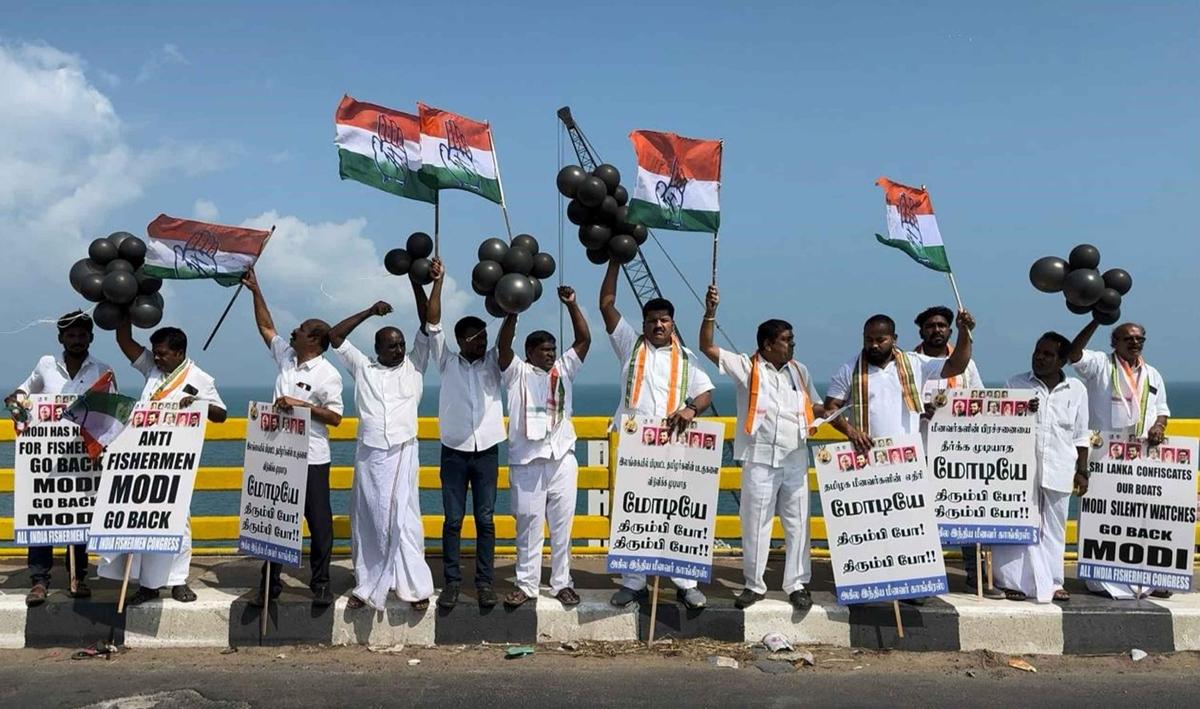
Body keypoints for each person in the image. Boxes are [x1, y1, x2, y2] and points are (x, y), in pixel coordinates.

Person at [825, 310, 975, 604]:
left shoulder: (915, 363)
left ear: (894, 339)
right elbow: (829, 408)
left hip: (906, 461)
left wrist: (964, 333)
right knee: (869, 527)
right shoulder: (850, 368)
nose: (873, 345)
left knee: (909, 527)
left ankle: (910, 587)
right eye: (868, 339)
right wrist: (851, 431)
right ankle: (869, 585)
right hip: (867, 461)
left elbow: (957, 365)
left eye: (880, 339)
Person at [699, 285, 831, 610]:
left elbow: (813, 406)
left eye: (792, 339)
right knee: (755, 524)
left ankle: (797, 584)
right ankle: (754, 585)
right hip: (759, 459)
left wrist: (829, 411)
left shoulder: (800, 371)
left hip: (795, 458)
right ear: (768, 344)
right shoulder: (747, 368)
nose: (792, 344)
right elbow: (707, 346)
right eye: (786, 340)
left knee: (798, 524)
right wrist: (710, 312)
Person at [600, 259, 713, 609]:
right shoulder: (629, 345)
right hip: (634, 446)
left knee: (675, 512)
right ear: (644, 324)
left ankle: (685, 583)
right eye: (652, 320)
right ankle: (634, 583)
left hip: (672, 447)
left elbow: (706, 394)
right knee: (634, 512)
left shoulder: (687, 358)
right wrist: (614, 262)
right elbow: (606, 305)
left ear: (672, 323)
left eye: (664, 320)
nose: (658, 325)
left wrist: (690, 409)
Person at [99, 322, 226, 605]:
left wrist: (199, 403)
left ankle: (178, 580)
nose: (156, 357)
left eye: (162, 353)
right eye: (155, 352)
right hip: (142, 457)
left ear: (179, 353)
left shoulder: (200, 378)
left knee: (178, 521)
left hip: (175, 461)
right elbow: (124, 340)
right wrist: (123, 310)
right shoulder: (152, 369)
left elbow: (221, 414)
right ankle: (147, 584)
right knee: (142, 519)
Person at [328, 286, 436, 612]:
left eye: (401, 344)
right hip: (370, 453)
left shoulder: (415, 365)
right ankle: (367, 584)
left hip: (403, 450)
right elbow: (335, 335)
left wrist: (419, 284)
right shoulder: (364, 368)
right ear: (378, 349)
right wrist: (369, 312)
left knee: (406, 519)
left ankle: (414, 587)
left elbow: (427, 323)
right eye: (392, 346)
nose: (399, 350)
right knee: (369, 518)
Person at [242, 268, 345, 607]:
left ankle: (321, 583)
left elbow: (336, 418)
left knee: (319, 523)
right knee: (273, 519)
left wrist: (302, 406)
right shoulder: (287, 357)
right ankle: (269, 585)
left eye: (300, 329)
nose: (293, 331)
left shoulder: (328, 375)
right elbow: (265, 327)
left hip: (312, 457)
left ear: (313, 340)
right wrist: (256, 290)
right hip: (276, 453)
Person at [412, 259, 511, 610]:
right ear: (461, 341)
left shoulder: (494, 363)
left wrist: (512, 309)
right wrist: (438, 283)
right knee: (453, 521)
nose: (482, 341)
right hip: (454, 451)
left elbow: (506, 338)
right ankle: (452, 582)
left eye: (484, 336)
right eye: (476, 337)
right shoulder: (447, 361)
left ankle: (484, 583)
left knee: (485, 520)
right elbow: (433, 323)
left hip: (486, 452)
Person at [5, 311, 112, 607]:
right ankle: (39, 580)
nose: (77, 340)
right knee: (42, 515)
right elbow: (22, 393)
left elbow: (109, 415)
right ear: (61, 338)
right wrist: (15, 402)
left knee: (79, 517)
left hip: (82, 457)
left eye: (82, 335)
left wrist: (100, 447)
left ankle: (78, 577)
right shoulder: (46, 365)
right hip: (46, 460)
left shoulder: (103, 371)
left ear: (91, 337)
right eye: (71, 335)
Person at [499, 286, 590, 609]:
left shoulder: (563, 370)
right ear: (529, 352)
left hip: (562, 458)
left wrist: (572, 305)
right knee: (528, 526)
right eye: (544, 350)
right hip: (527, 461)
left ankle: (562, 583)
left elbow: (584, 340)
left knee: (563, 527)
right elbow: (503, 347)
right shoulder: (516, 372)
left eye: (552, 349)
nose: (550, 354)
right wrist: (513, 311)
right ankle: (526, 585)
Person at [1068, 319, 1172, 600]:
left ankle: (1145, 579)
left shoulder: (1152, 374)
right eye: (1128, 338)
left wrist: (1159, 425)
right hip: (1103, 456)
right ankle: (1099, 579)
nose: (1135, 343)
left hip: (1140, 459)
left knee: (1140, 519)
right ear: (1114, 342)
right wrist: (1096, 319)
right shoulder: (1100, 365)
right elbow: (1073, 354)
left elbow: (1162, 409)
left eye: (1140, 339)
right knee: (1101, 518)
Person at [993, 332, 1089, 603]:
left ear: (1062, 361)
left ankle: (1054, 583)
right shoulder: (1016, 383)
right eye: (1037, 352)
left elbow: (1081, 435)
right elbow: (998, 423)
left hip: (1060, 467)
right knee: (1016, 524)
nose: (1040, 358)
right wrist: (1019, 409)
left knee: (1054, 529)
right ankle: (1011, 582)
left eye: (1048, 354)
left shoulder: (1077, 390)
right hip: (1021, 470)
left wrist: (1082, 471)